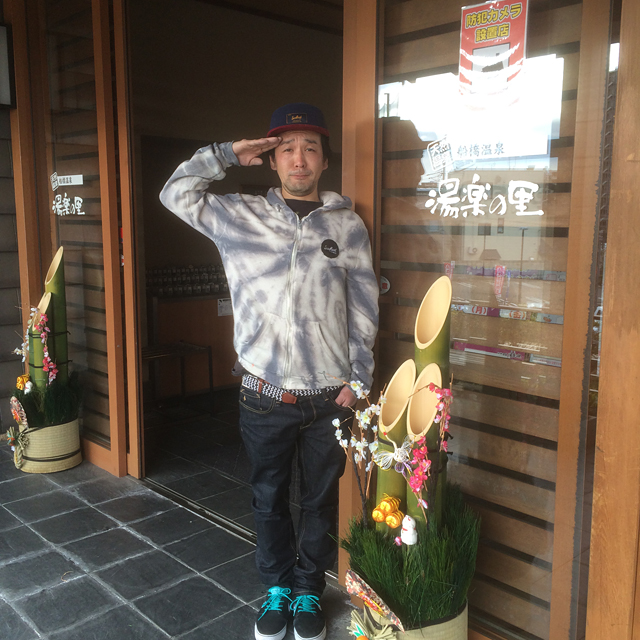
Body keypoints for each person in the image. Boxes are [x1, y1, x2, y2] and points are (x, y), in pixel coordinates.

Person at [160, 103, 378, 640]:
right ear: (273, 160)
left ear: (324, 160)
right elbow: (175, 193)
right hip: (264, 394)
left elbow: (364, 304)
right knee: (268, 498)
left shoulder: (347, 226)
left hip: (329, 396)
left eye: (310, 149)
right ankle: (277, 587)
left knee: (320, 502)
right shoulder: (240, 216)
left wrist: (359, 377)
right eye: (287, 149)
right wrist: (225, 155)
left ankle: (309, 589)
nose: (299, 159)